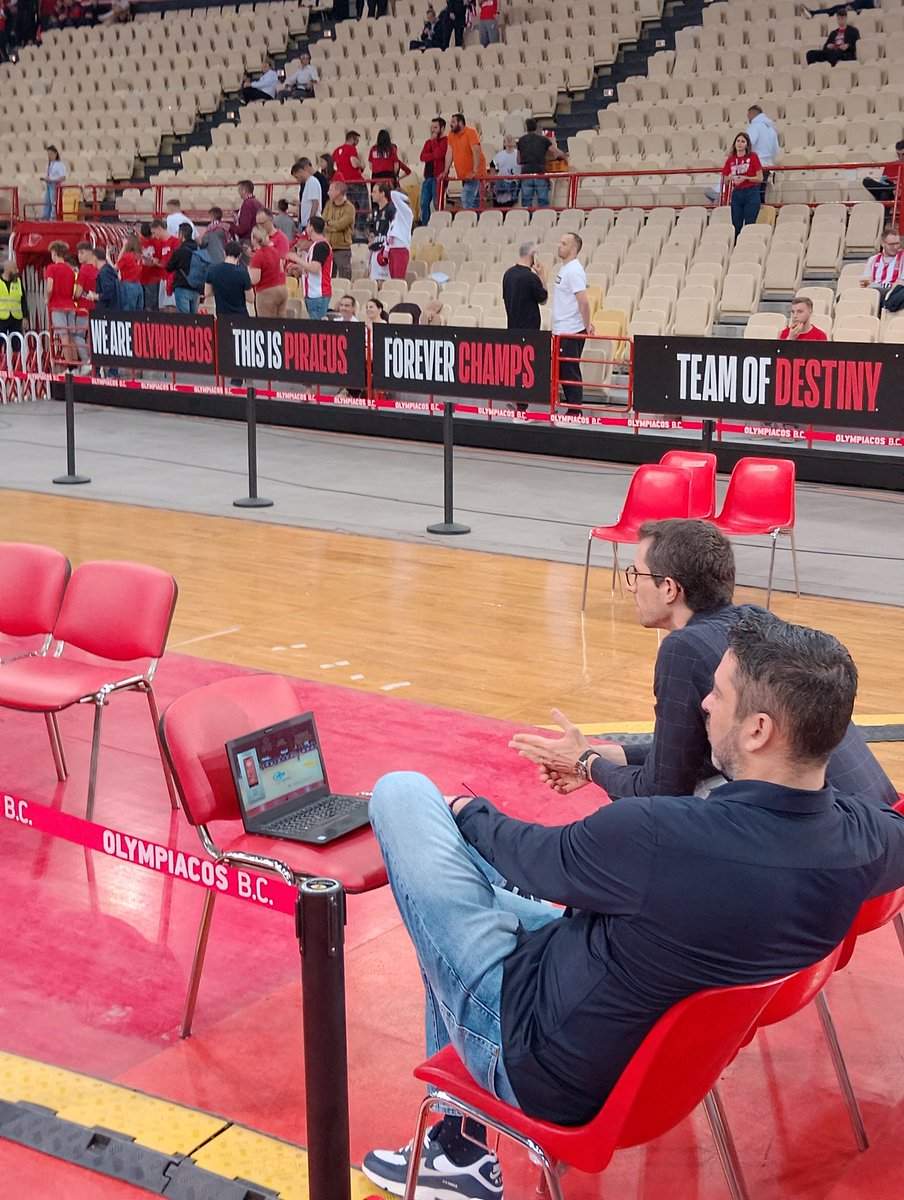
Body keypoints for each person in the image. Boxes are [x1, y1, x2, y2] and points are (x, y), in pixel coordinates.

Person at [362, 606, 904, 1197]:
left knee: (403, 793)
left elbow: (525, 854)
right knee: (480, 900)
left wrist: (465, 811)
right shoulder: (864, 844)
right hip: (654, 1068)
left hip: (538, 1059)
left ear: (758, 730)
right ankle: (454, 1146)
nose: (703, 704)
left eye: (717, 695)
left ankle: (460, 1146)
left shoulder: (653, 837)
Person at [511, 519, 896, 805]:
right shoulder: (756, 618)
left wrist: (588, 763)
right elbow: (709, 752)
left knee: (641, 828)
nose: (631, 585)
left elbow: (662, 793)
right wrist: (616, 755)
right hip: (879, 820)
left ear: (669, 589)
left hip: (833, 852)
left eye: (636, 574)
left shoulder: (683, 649)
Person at [551, 232, 593, 414]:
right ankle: (571, 409)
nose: (559, 246)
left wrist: (586, 325)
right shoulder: (566, 268)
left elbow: (583, 301)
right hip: (562, 328)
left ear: (573, 249)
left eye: (564, 243)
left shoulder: (574, 270)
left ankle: (575, 411)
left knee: (570, 370)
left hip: (570, 330)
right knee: (563, 371)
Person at [45, 240, 85, 366]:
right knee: (71, 336)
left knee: (63, 337)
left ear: (55, 253)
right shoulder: (70, 271)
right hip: (70, 305)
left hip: (57, 306)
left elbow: (50, 287)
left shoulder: (51, 268)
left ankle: (70, 367)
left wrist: (47, 298)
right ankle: (77, 364)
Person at [721, 132, 763, 239]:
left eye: (743, 141)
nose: (740, 144)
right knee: (736, 224)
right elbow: (725, 180)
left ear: (747, 145)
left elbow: (760, 178)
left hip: (751, 191)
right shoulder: (730, 159)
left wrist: (746, 178)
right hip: (737, 193)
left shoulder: (753, 157)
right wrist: (729, 177)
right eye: (738, 141)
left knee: (750, 223)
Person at [291, 215, 333, 321]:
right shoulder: (316, 245)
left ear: (312, 228)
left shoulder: (321, 245)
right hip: (313, 293)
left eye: (308, 225)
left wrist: (297, 259)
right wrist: (300, 268)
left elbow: (315, 268)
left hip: (318, 293)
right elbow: (313, 269)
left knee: (318, 327)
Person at [502, 241, 548, 331]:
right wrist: (541, 275)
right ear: (534, 255)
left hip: (512, 328)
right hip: (529, 331)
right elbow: (543, 299)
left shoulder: (508, 274)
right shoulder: (531, 277)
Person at [445, 112, 486, 211]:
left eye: (454, 122)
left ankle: (468, 219)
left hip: (475, 174)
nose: (451, 124)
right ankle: (476, 221)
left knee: (466, 197)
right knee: (475, 202)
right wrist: (446, 171)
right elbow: (449, 153)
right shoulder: (451, 135)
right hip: (464, 176)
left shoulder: (471, 133)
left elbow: (476, 151)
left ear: (461, 123)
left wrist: (474, 171)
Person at [204, 238, 253, 317]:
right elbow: (250, 299)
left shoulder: (212, 270)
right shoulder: (243, 273)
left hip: (222, 316)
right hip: (240, 316)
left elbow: (207, 293)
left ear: (225, 253)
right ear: (240, 255)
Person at [332, 131, 369, 235]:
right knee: (363, 204)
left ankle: (351, 228)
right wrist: (361, 165)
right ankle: (360, 227)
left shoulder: (337, 150)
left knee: (351, 205)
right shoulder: (351, 149)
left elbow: (334, 166)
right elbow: (353, 163)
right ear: (353, 139)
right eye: (356, 140)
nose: (357, 142)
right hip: (356, 180)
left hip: (344, 182)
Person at [248, 225, 288, 318]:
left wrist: (248, 270)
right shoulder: (274, 251)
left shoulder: (258, 256)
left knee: (266, 325)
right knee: (281, 324)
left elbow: (255, 280)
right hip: (281, 289)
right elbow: (281, 269)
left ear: (254, 239)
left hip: (266, 292)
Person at [861, 227, 904, 311]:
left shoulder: (902, 257)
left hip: (893, 293)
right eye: (891, 244)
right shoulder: (873, 259)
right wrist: (874, 285)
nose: (895, 247)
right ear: (883, 243)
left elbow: (901, 283)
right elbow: (864, 282)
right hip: (874, 291)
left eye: (897, 243)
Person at [516, 118, 554, 210]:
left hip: (526, 173)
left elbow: (518, 160)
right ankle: (544, 219)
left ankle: (528, 220)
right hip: (540, 172)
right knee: (543, 200)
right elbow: (554, 152)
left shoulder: (521, 140)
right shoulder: (543, 140)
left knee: (526, 202)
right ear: (536, 127)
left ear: (526, 128)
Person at [164, 222, 202, 315]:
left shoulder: (179, 251)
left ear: (182, 235)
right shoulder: (198, 250)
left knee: (184, 320)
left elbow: (168, 267)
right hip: (196, 288)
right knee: (194, 319)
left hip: (182, 286)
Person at [322, 180, 355, 280]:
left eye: (330, 190)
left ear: (338, 191)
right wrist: (331, 225)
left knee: (344, 277)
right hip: (328, 247)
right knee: (329, 278)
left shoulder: (350, 208)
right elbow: (323, 222)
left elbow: (341, 225)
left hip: (342, 249)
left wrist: (329, 223)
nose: (328, 193)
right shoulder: (328, 205)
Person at [746, 105, 780, 202]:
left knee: (753, 192)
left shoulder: (754, 127)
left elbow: (749, 143)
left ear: (752, 114)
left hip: (756, 164)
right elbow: (776, 150)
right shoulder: (771, 129)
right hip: (767, 164)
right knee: (761, 192)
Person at [418, 117, 448, 226]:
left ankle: (440, 224)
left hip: (438, 177)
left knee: (437, 203)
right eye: (432, 127)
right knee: (423, 203)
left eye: (435, 127)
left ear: (442, 128)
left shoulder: (445, 141)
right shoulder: (428, 142)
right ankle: (425, 224)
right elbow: (422, 157)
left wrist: (434, 142)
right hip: (428, 177)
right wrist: (433, 156)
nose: (433, 130)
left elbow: (439, 154)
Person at [368, 183, 396, 282]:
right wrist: (371, 237)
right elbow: (371, 229)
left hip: (385, 252)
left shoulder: (391, 209)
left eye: (374, 192)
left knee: (383, 281)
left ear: (382, 194)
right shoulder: (375, 211)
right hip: (375, 249)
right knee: (373, 281)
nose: (372, 194)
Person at [863, 140, 904, 205]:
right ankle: (891, 189)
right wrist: (893, 189)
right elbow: (883, 183)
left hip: (898, 193)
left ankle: (891, 190)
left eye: (903, 154)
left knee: (884, 194)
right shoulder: (890, 166)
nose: (901, 157)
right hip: (890, 189)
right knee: (866, 181)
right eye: (898, 154)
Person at [386, 188, 413, 280]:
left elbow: (393, 194)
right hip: (392, 249)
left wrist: (406, 198)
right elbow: (390, 233)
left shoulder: (407, 213)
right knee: (392, 279)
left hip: (401, 249)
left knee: (398, 280)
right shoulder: (396, 215)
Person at [291, 159, 322, 231]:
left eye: (297, 177)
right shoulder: (308, 183)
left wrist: (310, 221)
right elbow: (310, 202)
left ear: (301, 172)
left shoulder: (312, 182)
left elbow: (315, 203)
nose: (297, 180)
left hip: (312, 223)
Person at [0, 258, 27, 338]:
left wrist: (25, 317)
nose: (17, 271)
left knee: (16, 344)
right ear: (8, 270)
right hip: (1, 318)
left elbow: (23, 300)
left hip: (16, 318)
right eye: (15, 269)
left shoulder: (18, 282)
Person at [116, 233, 144, 310]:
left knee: (127, 310)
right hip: (138, 285)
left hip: (127, 284)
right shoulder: (139, 257)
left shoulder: (127, 256)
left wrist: (123, 248)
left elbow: (117, 266)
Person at [490, 134, 519, 207]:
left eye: (511, 138)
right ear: (504, 143)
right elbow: (492, 164)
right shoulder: (500, 154)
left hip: (514, 182)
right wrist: (493, 178)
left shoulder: (518, 154)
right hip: (501, 181)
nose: (509, 140)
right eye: (507, 139)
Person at [91, 246, 122, 311]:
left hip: (106, 310)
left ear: (94, 258)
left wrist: (94, 296)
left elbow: (108, 293)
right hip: (113, 308)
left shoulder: (104, 272)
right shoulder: (109, 270)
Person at [42, 145, 67, 220]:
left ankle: (53, 218)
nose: (50, 156)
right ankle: (46, 217)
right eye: (48, 154)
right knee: (47, 202)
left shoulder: (60, 164)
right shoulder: (48, 165)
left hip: (55, 185)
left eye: (51, 154)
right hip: (49, 184)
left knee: (54, 203)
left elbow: (63, 177)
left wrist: (53, 180)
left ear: (56, 153)